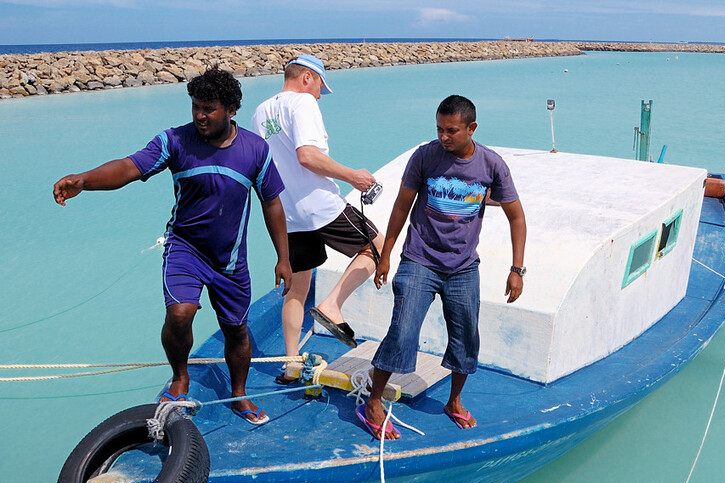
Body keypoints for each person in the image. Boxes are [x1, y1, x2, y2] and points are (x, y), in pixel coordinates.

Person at [52, 68, 291, 425]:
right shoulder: (175, 141)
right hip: (185, 249)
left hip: (229, 259)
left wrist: (283, 258)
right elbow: (129, 167)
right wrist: (85, 180)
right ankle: (180, 377)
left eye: (208, 108)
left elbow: (272, 203)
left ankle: (239, 394)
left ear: (231, 109)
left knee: (236, 330)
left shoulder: (256, 150)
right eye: (195, 106)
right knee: (180, 314)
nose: (199, 115)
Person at [360, 95, 527, 440]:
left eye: (451, 131)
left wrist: (517, 269)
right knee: (402, 332)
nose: (443, 137)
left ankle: (453, 401)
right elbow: (401, 208)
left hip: (463, 267)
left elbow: (516, 217)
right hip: (419, 260)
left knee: (466, 338)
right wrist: (386, 255)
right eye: (439, 129)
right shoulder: (425, 157)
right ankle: (373, 402)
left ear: (471, 128)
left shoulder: (492, 165)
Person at [251, 54, 384, 381]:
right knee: (378, 248)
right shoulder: (303, 104)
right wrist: (352, 176)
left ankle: (292, 364)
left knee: (296, 289)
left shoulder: (259, 112)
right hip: (319, 205)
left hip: (286, 213)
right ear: (308, 78)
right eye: (319, 89)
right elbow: (307, 156)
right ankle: (332, 306)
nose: (318, 97)